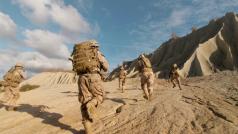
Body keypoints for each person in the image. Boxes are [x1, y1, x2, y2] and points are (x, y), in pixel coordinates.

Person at [71, 40, 109, 134]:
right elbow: (106, 67)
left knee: (84, 103)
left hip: (81, 78)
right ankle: (91, 105)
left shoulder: (80, 54)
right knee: (100, 96)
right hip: (93, 76)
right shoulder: (96, 53)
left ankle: (88, 131)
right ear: (95, 46)